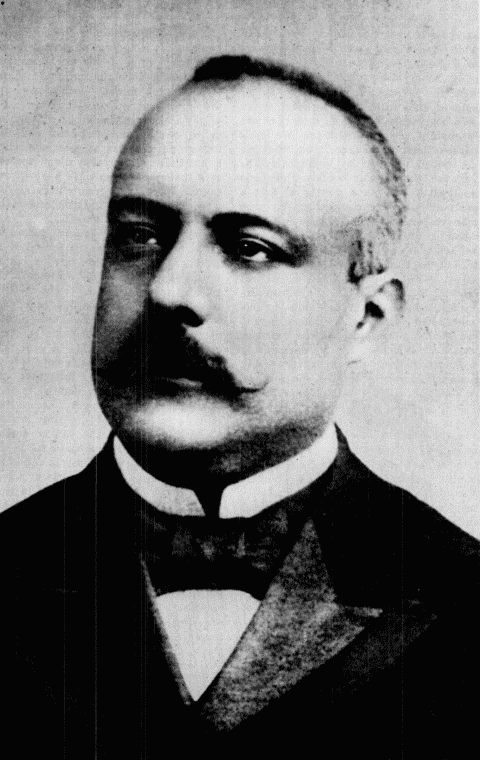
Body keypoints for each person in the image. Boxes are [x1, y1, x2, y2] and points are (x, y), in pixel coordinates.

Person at [1, 55, 478, 758]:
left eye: (250, 248)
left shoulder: (464, 601)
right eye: (139, 234)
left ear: (366, 317)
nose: (169, 290)